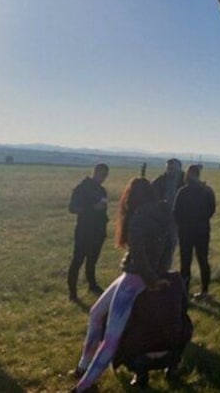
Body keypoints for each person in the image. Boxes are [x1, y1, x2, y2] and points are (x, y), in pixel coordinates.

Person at [71, 177, 174, 392]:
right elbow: (167, 251)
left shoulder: (138, 218)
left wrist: (152, 280)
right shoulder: (163, 215)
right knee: (96, 313)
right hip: (139, 276)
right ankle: (83, 367)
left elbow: (139, 256)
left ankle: (83, 387)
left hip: (134, 279)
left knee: (111, 338)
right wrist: (157, 276)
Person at [67, 164, 110, 300]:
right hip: (84, 230)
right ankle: (72, 292)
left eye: (105, 175)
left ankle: (92, 284)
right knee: (78, 260)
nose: (102, 178)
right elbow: (72, 208)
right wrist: (91, 208)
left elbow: (103, 209)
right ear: (94, 172)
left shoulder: (102, 191)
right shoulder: (82, 188)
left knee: (92, 260)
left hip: (98, 231)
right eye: (101, 174)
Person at [172, 165, 216, 298]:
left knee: (185, 261)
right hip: (202, 229)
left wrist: (182, 223)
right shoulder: (207, 190)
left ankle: (184, 291)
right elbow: (211, 209)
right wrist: (202, 219)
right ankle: (205, 291)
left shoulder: (183, 191)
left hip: (186, 231)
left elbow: (175, 212)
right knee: (203, 260)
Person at [152, 158, 183, 266]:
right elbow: (151, 195)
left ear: (179, 169)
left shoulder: (184, 182)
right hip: (161, 219)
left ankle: (166, 269)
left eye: (173, 168)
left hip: (177, 219)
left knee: (171, 245)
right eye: (168, 168)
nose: (170, 171)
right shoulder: (160, 180)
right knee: (158, 245)